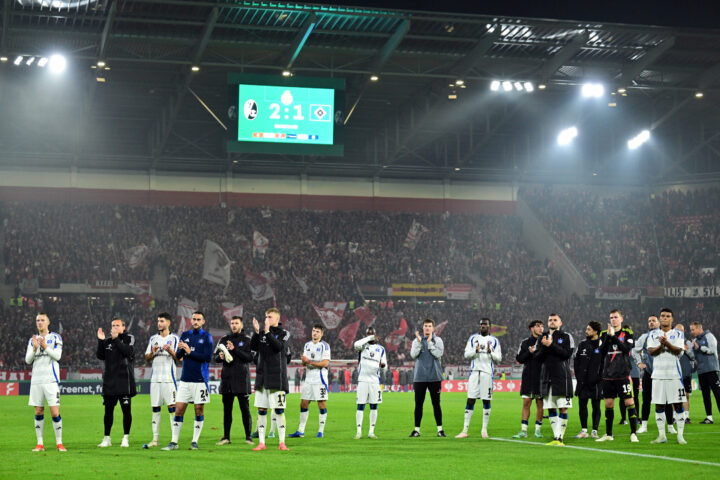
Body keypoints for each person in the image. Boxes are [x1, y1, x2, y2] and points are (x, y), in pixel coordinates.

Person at [162, 311, 213, 450]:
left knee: (199, 409)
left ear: (203, 322)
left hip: (200, 380)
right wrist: (178, 350)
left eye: (199, 319)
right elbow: (179, 356)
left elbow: (208, 357)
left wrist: (190, 352)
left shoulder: (207, 337)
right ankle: (174, 442)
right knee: (179, 410)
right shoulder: (185, 335)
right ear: (191, 320)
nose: (196, 321)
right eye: (194, 319)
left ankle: (194, 441)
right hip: (185, 380)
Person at [250, 308, 291, 451]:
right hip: (262, 378)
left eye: (270, 317)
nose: (267, 319)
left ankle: (282, 442)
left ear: (277, 319)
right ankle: (261, 443)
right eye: (266, 316)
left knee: (279, 410)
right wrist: (256, 332)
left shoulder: (284, 334)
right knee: (261, 410)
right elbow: (253, 347)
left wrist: (267, 332)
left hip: (277, 379)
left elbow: (278, 347)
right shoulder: (261, 334)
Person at [596, 309, 639, 443]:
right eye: (611, 317)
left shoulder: (628, 333)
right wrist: (609, 337)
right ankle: (609, 434)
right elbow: (601, 352)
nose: (613, 319)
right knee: (608, 404)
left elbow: (626, 349)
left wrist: (614, 337)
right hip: (608, 375)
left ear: (621, 319)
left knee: (629, 402)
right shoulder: (603, 334)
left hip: (623, 375)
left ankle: (633, 433)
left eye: (616, 317)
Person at [646, 308, 687, 444]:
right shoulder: (653, 334)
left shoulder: (678, 334)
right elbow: (651, 352)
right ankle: (662, 435)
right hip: (657, 375)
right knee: (659, 406)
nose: (664, 318)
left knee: (678, 405)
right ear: (660, 318)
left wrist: (666, 343)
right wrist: (662, 345)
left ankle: (680, 435)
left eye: (667, 316)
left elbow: (678, 351)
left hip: (674, 375)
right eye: (662, 316)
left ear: (672, 319)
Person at [25, 312, 65, 452]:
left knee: (54, 412)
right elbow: (28, 360)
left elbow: (58, 356)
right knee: (38, 410)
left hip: (51, 380)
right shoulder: (32, 340)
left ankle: (59, 443)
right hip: (36, 380)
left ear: (48, 322)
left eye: (42, 320)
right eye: (38, 320)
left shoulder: (55, 337)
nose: (40, 322)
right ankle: (40, 443)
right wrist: (35, 348)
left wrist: (45, 347)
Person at [456, 317, 501, 439]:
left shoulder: (494, 341)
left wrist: (490, 351)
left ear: (489, 326)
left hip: (487, 373)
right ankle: (465, 430)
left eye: (485, 324)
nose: (483, 326)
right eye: (481, 324)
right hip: (474, 373)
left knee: (486, 400)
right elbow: (466, 355)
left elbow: (499, 358)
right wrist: (475, 351)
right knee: (470, 399)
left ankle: (484, 430)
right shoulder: (473, 338)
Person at [535, 313, 574, 446]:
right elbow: (537, 357)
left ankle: (560, 438)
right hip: (546, 378)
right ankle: (556, 437)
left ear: (560, 322)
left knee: (563, 408)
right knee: (551, 408)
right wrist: (545, 346)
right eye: (550, 320)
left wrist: (551, 345)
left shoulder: (566, 336)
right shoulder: (541, 337)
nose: (552, 322)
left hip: (562, 377)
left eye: (555, 320)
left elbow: (567, 354)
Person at [97, 316, 136, 448]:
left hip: (124, 380)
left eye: (118, 325)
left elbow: (128, 352)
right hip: (109, 381)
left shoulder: (129, 338)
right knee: (108, 411)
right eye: (113, 325)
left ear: (124, 327)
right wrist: (100, 341)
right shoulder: (107, 341)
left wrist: (116, 339)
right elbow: (100, 355)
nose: (115, 327)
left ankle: (126, 438)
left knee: (126, 410)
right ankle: (106, 438)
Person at [215, 315, 254, 446]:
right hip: (227, 380)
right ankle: (226, 437)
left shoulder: (247, 340)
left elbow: (249, 358)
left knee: (245, 410)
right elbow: (215, 357)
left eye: (236, 323)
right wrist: (220, 357)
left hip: (242, 380)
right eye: (232, 323)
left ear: (241, 325)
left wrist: (234, 350)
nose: (234, 325)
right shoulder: (224, 339)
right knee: (227, 410)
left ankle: (248, 437)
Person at [143, 312, 179, 448]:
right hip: (155, 379)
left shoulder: (174, 338)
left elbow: (179, 358)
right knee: (155, 409)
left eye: (162, 321)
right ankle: (155, 439)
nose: (159, 323)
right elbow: (147, 358)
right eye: (158, 321)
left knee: (172, 408)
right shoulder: (153, 339)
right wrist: (153, 352)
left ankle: (174, 440)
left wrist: (170, 350)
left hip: (169, 379)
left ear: (168, 323)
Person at [289, 324, 331, 438]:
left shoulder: (325, 346)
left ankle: (321, 431)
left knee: (321, 404)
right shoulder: (307, 345)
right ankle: (301, 430)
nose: (315, 333)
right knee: (303, 403)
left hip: (320, 379)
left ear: (321, 334)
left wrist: (310, 361)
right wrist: (304, 361)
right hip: (309, 379)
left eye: (317, 331)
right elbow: (304, 363)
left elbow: (325, 363)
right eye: (313, 331)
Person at [409, 318, 445, 437]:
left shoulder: (438, 340)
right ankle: (416, 430)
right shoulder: (416, 341)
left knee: (436, 404)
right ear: (423, 328)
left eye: (430, 326)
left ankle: (440, 430)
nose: (427, 328)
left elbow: (439, 354)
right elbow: (413, 355)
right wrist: (420, 343)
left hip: (434, 376)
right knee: (418, 404)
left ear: (433, 328)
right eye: (425, 326)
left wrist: (429, 343)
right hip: (420, 377)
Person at [512, 319, 545, 439]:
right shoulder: (525, 343)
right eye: (538, 326)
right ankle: (523, 430)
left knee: (540, 403)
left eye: (542, 326)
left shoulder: (545, 341)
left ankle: (537, 430)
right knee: (526, 403)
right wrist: (529, 352)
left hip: (541, 377)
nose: (541, 328)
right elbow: (519, 358)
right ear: (532, 328)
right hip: (528, 377)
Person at [354, 326, 387, 439]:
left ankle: (371, 432)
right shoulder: (362, 346)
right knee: (360, 405)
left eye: (373, 334)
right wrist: (368, 338)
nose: (371, 336)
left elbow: (384, 364)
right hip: (362, 380)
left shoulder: (381, 349)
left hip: (374, 381)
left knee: (374, 406)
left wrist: (383, 366)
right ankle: (358, 431)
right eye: (369, 334)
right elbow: (356, 344)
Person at [573, 321, 602, 439]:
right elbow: (576, 361)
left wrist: (599, 377)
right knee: (582, 405)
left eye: (589, 329)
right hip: (583, 381)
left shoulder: (602, 344)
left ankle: (594, 430)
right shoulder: (582, 344)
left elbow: (604, 363)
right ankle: (584, 430)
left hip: (596, 382)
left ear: (595, 331)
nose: (586, 331)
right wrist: (579, 376)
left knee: (596, 405)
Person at [690, 321, 720, 424]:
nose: (692, 332)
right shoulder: (695, 340)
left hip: (711, 369)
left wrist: (700, 347)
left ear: (699, 328)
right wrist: (689, 350)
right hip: (701, 371)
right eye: (691, 330)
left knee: (717, 393)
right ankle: (709, 418)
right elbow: (693, 356)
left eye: (693, 329)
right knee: (705, 395)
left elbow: (713, 350)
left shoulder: (709, 336)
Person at [675, 324, 694, 423]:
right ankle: (674, 417)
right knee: (674, 396)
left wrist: (687, 350)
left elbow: (693, 356)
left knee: (686, 395)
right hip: (674, 373)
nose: (679, 332)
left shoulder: (687, 343)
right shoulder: (671, 342)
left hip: (686, 373)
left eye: (681, 331)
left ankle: (686, 417)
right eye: (677, 330)